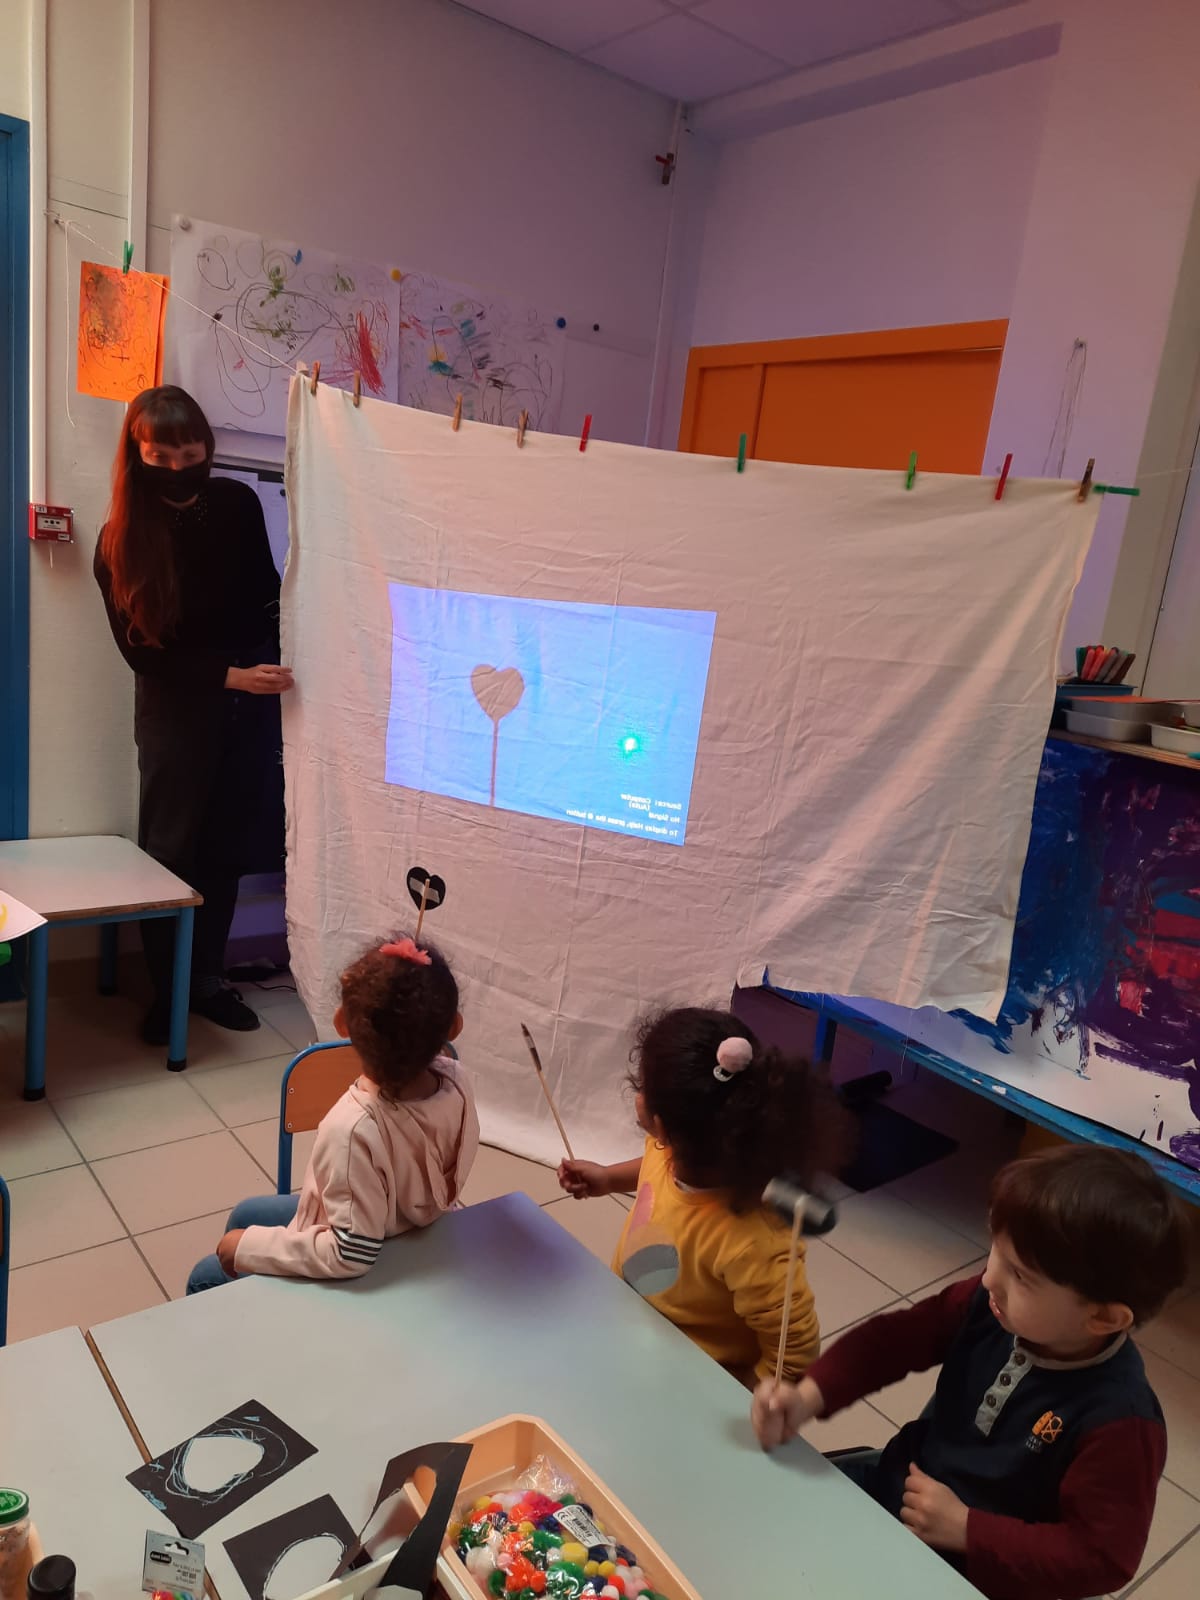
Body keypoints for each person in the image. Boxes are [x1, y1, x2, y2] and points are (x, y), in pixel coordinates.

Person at [752, 1145, 1189, 1600]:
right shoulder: (989, 1304)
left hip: (978, 1574)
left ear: (1103, 1318)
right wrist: (809, 1396)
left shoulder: (1122, 1424)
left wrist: (967, 1528)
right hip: (895, 1493)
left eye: (1021, 1276)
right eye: (994, 1249)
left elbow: (1100, 1557)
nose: (989, 1278)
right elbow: (896, 1339)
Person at [94, 385, 293, 1043]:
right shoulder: (119, 540)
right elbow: (142, 655)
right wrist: (233, 676)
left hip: (247, 706)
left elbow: (267, 595)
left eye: (191, 454)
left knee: (226, 851)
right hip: (177, 714)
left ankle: (207, 981)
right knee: (171, 855)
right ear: (137, 454)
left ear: (207, 447)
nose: (180, 468)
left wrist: (291, 654)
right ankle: (168, 992)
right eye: (162, 457)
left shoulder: (235, 503)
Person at [557, 1007, 849, 1385]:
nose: (639, 1092)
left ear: (660, 1124)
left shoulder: (754, 1242)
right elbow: (654, 1167)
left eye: (643, 1085)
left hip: (690, 1377)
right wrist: (609, 1179)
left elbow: (795, 1355)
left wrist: (737, 1399)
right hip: (633, 1326)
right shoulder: (673, 1151)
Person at [187, 935, 478, 1291]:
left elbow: (350, 1253)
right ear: (453, 1028)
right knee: (245, 1215)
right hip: (407, 1219)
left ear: (342, 1024)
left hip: (369, 1252)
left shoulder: (352, 1130)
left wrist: (250, 1248)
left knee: (204, 1276)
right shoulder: (458, 1080)